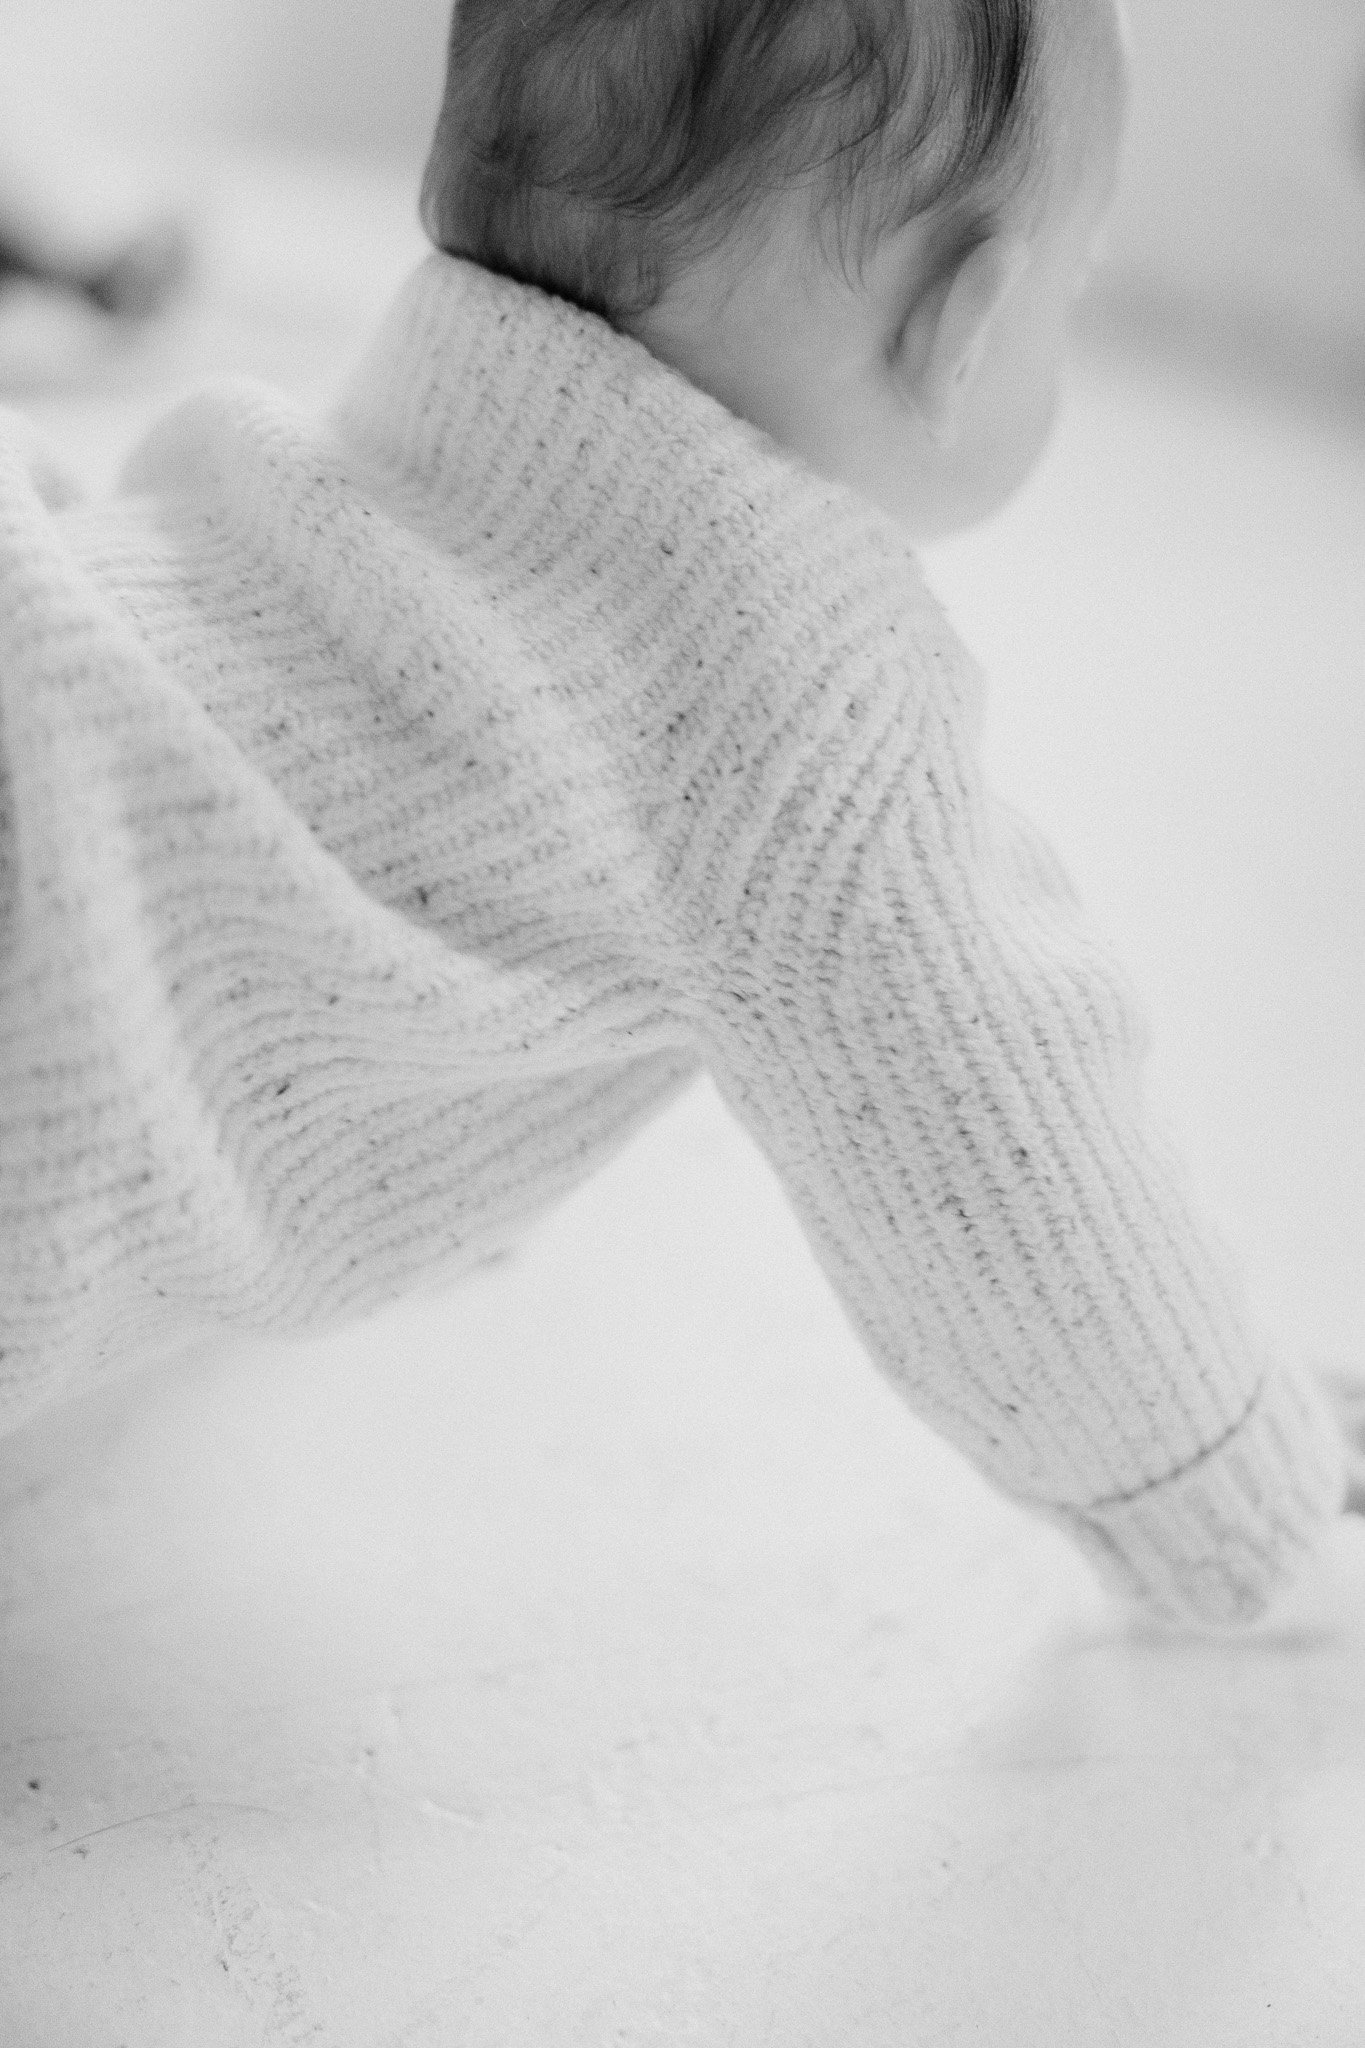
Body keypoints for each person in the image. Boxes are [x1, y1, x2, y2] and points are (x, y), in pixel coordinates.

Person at [0, 0, 1360, 1632]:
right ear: (964, 324)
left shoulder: (362, 434)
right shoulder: (796, 698)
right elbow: (1017, 1188)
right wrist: (1239, 1485)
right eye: (1069, 289)